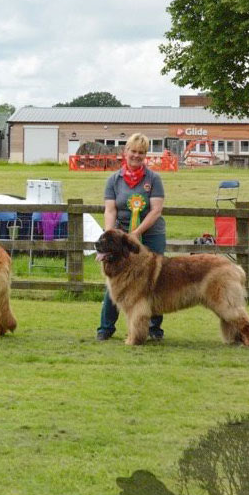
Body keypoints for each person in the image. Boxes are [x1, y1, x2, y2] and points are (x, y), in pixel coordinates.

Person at [97, 133, 166, 342]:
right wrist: (110, 238)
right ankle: (105, 328)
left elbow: (156, 210)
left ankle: (153, 329)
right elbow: (110, 210)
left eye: (141, 153)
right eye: (133, 151)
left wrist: (137, 233)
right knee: (116, 280)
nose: (136, 156)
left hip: (150, 234)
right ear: (125, 152)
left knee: (154, 282)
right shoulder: (114, 180)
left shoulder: (153, 179)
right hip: (122, 237)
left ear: (145, 155)